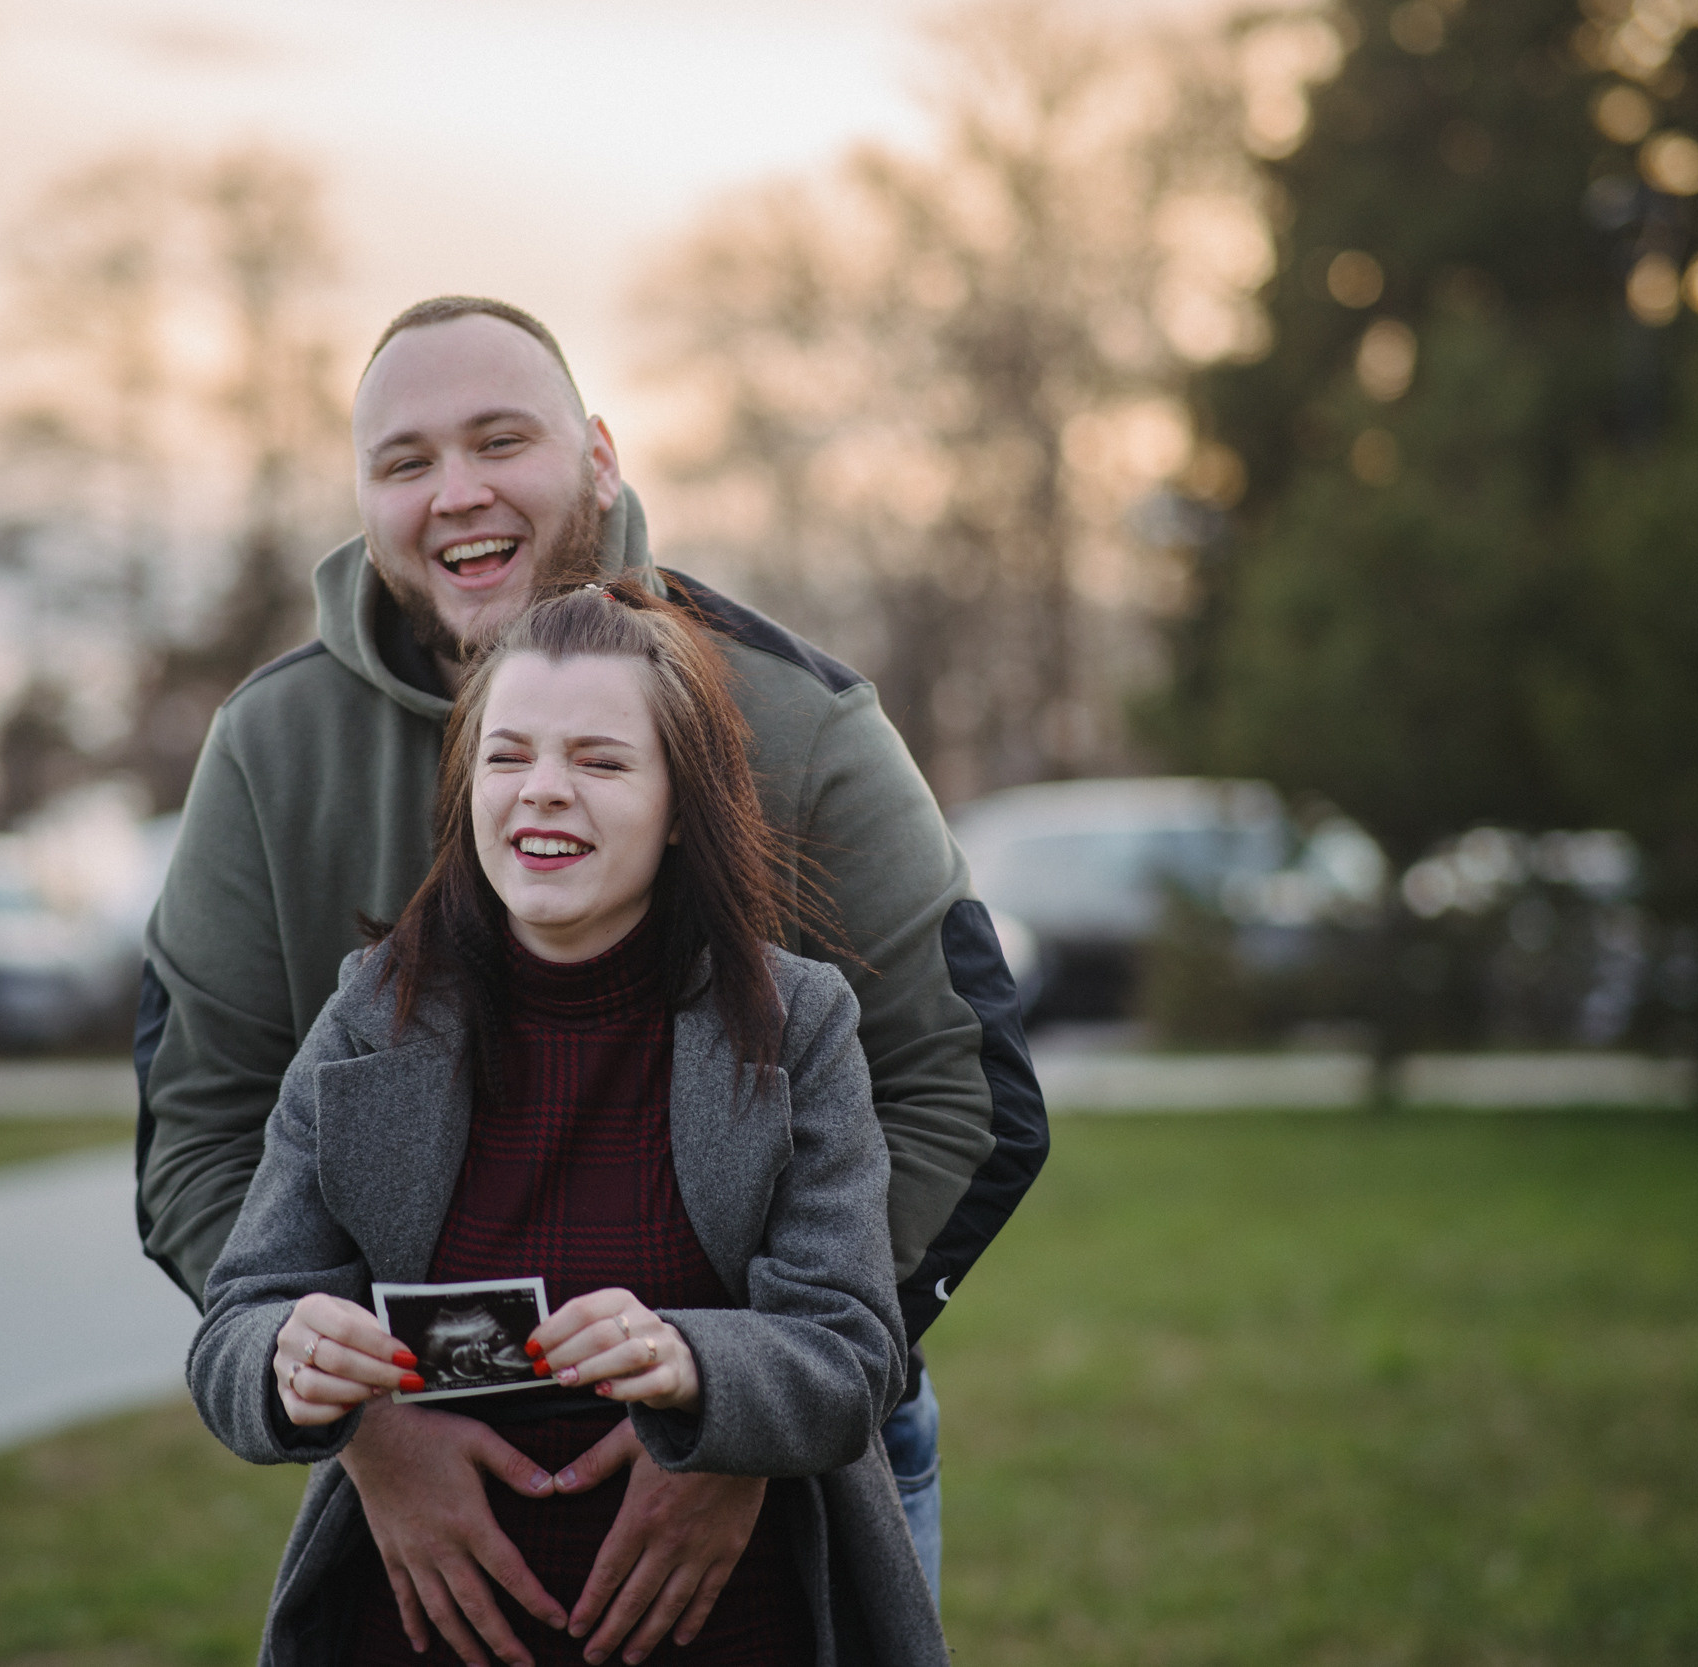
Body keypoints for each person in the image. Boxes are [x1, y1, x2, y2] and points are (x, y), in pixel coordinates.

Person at [137, 296, 1046, 1665]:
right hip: (416, 1490)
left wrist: (739, 1415)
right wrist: (367, 1422)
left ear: (601, 459)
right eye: (405, 460)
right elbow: (202, 1130)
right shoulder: (269, 746)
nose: (458, 492)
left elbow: (966, 1092)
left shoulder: (800, 717)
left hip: (784, 1482)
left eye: (501, 440)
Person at [189, 584, 946, 1667]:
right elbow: (234, 1324)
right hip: (417, 1631)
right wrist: (284, 1356)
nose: (543, 789)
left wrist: (689, 1356)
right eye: (507, 756)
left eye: (600, 760)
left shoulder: (795, 1022)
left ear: (679, 805)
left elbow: (851, 1354)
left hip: (729, 1627)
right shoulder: (368, 1015)